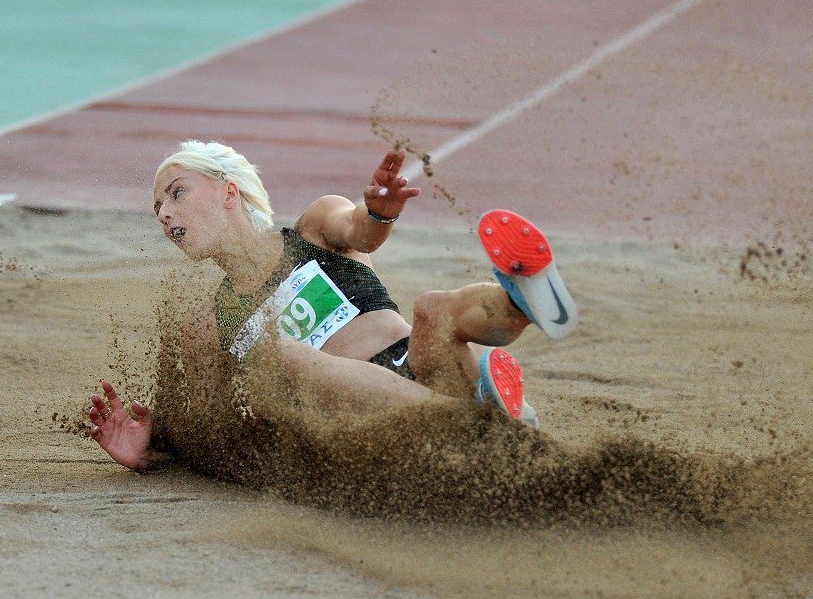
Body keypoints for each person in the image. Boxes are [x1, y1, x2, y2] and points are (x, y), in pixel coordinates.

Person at [88, 140, 578, 472]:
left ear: (229, 192)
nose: (165, 214)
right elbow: (206, 426)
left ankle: (522, 299)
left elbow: (361, 229)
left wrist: (381, 210)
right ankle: (483, 421)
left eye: (176, 195)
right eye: (157, 210)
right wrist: (151, 448)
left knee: (433, 309)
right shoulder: (207, 321)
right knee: (284, 356)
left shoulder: (314, 226)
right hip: (361, 427)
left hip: (424, 369)